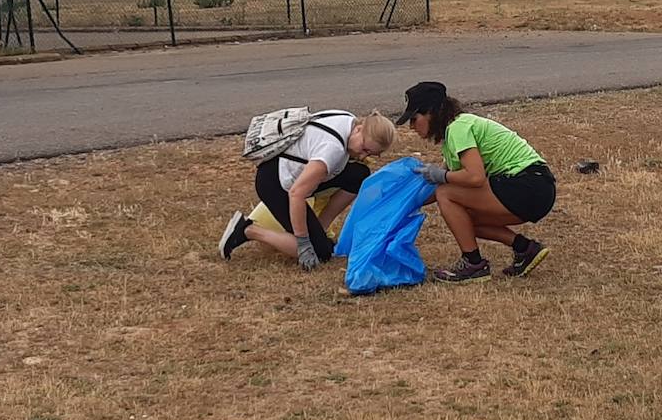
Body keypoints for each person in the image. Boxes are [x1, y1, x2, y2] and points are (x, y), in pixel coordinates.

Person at [397, 81, 555, 281]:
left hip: (529, 186)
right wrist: (403, 203)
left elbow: (474, 177)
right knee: (464, 217)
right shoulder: (454, 131)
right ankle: (526, 249)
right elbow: (446, 183)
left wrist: (441, 176)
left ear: (432, 112)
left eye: (414, 119)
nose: (411, 127)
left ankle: (473, 264)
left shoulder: (458, 128)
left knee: (446, 193)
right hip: (538, 188)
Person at [219, 110, 396, 268]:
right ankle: (247, 230)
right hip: (275, 183)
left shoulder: (348, 119)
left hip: (289, 167)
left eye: (371, 154)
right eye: (364, 149)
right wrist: (304, 243)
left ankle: (320, 228)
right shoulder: (332, 150)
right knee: (321, 253)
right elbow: (296, 194)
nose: (363, 156)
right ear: (359, 130)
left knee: (359, 174)